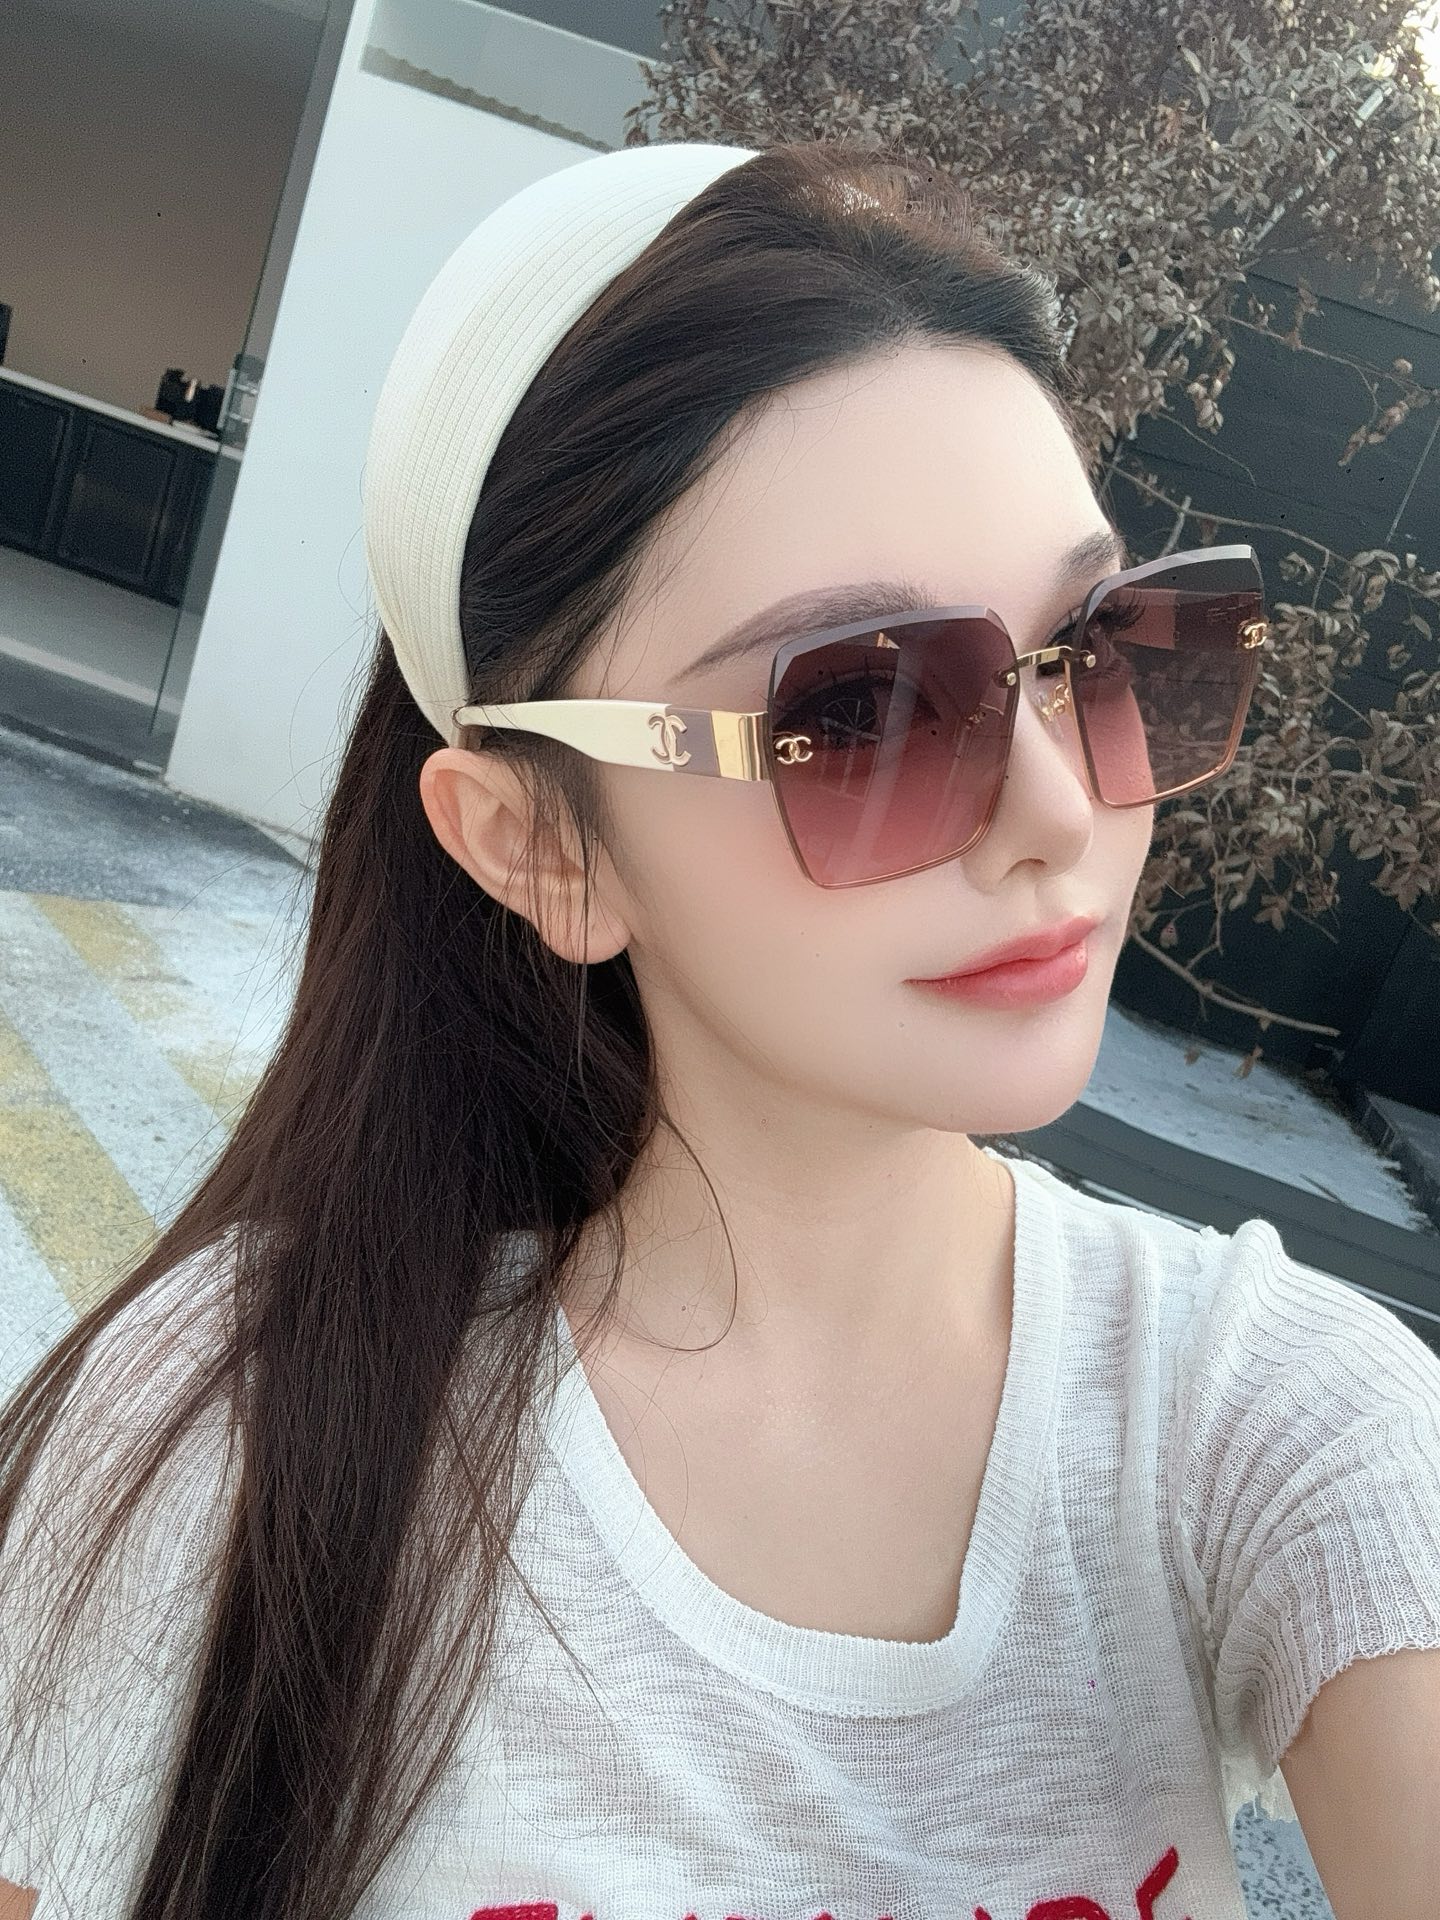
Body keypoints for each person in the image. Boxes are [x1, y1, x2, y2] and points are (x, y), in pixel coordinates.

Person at [1, 137, 1438, 1920]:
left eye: (1105, 647)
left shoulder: (1272, 1423)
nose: (1061, 812)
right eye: (868, 717)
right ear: (538, 846)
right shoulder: (230, 1442)